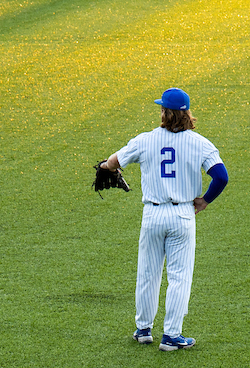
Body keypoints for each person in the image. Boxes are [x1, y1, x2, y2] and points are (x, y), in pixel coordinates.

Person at [98, 87, 228, 351]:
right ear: (187, 114)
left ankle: (143, 330)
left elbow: (113, 162)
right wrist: (204, 200)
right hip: (182, 215)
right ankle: (171, 336)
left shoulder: (146, 140)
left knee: (148, 273)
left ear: (164, 113)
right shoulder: (200, 143)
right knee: (179, 277)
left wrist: (104, 167)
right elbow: (221, 176)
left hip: (153, 215)